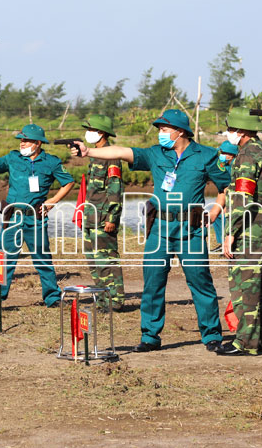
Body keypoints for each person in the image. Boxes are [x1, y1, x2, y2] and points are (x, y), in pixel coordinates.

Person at [73, 109, 230, 353]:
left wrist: (216, 211)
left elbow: (225, 187)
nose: (160, 134)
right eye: (159, 130)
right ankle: (150, 336)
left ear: (180, 132)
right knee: (153, 283)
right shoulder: (156, 154)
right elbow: (123, 152)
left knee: (201, 282)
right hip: (160, 229)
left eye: (165, 130)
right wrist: (89, 151)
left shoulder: (207, 156)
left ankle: (211, 335)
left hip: (192, 230)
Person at [0, 124, 74, 308]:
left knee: (42, 259)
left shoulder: (51, 162)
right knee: (3, 258)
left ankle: (52, 298)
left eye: (26, 140)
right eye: (21, 139)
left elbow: (68, 182)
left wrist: (52, 201)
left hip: (35, 217)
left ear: (37, 143)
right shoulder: (12, 158)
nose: (22, 143)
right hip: (12, 218)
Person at [214, 108, 262, 356]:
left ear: (241, 131)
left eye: (230, 128)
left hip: (248, 232)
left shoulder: (246, 156)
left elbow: (242, 198)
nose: (228, 132)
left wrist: (230, 232)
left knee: (246, 287)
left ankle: (246, 342)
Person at [80, 114, 125, 312]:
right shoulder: (95, 154)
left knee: (107, 260)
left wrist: (112, 218)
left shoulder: (112, 156)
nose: (88, 133)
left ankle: (115, 301)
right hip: (90, 217)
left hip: (103, 219)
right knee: (93, 261)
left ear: (101, 133)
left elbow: (115, 189)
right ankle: (101, 300)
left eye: (91, 130)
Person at [208, 140, 238, 252]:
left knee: (223, 214)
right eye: (221, 152)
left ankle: (229, 244)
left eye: (224, 153)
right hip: (229, 195)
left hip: (238, 197)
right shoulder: (226, 165)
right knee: (218, 214)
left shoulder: (236, 165)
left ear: (232, 155)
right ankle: (222, 244)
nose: (222, 155)